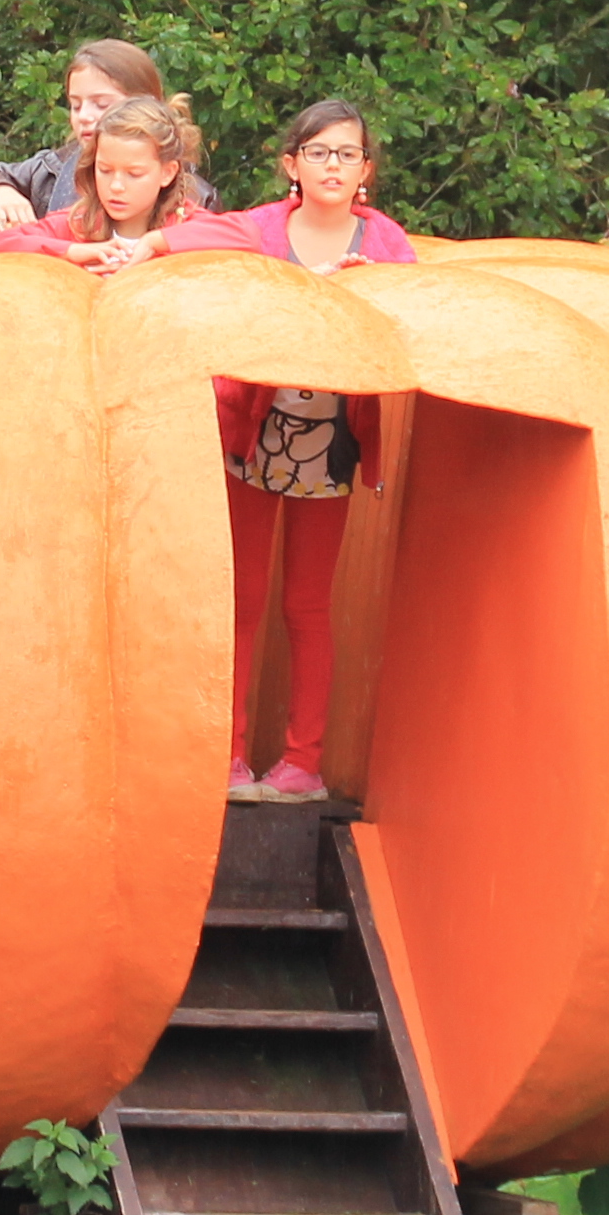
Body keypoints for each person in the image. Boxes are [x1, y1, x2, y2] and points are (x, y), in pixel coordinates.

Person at [177, 101, 418, 801]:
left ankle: (301, 767)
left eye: (346, 154)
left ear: (366, 169)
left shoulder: (386, 245)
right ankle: (223, 760)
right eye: (318, 153)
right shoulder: (258, 229)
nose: (333, 165)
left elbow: (411, 323)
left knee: (308, 611)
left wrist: (364, 291)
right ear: (292, 164)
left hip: (332, 450)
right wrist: (141, 247)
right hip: (250, 439)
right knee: (240, 604)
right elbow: (189, 243)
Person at [0, 92, 209, 272]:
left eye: (134, 174)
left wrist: (160, 243)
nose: (116, 186)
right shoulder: (77, 222)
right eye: (104, 170)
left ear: (167, 173)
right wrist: (72, 251)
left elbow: (243, 232)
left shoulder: (192, 224)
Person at [0, 40, 181, 234]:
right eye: (76, 105)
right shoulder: (51, 168)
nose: (84, 116)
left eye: (101, 105)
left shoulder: (189, 191)